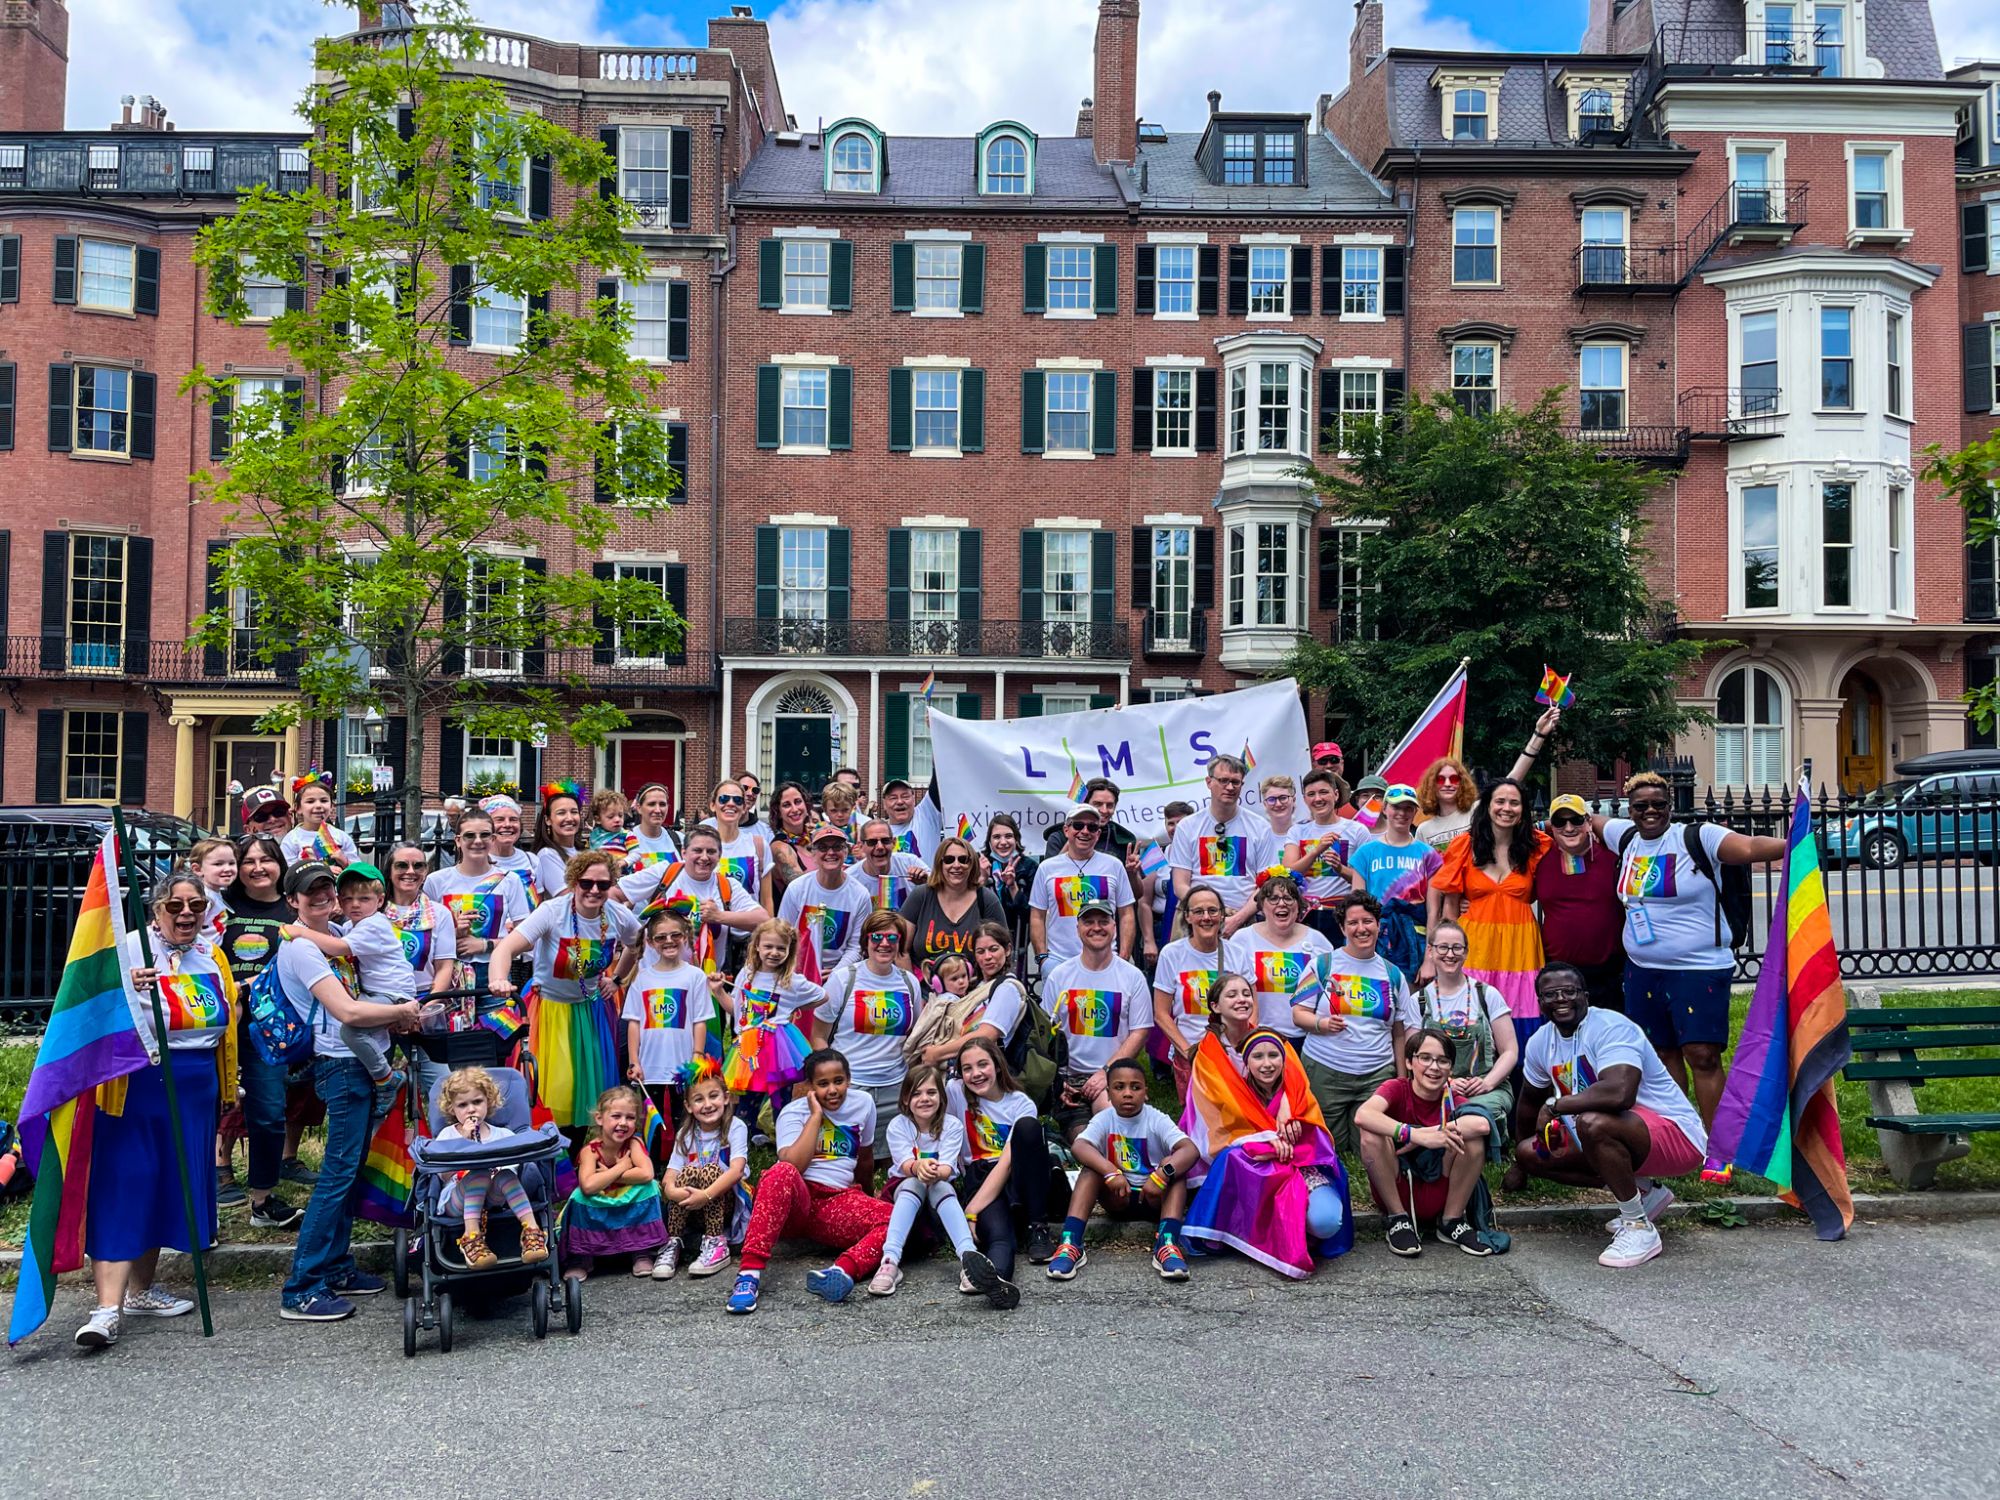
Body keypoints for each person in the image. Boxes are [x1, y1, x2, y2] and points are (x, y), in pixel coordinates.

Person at [71, 872, 239, 1349]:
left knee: (169, 1185)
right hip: (138, 1085)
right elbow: (86, 1002)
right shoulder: (127, 948)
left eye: (196, 905)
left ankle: (141, 1291)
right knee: (126, 1185)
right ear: (155, 909)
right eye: (175, 905)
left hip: (195, 1088)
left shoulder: (212, 953)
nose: (186, 913)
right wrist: (124, 988)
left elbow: (224, 1021)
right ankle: (105, 1309)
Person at [277, 860, 423, 1322]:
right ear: (292, 901)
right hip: (340, 1066)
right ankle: (303, 1286)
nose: (322, 897)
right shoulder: (302, 947)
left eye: (327, 888)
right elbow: (350, 1014)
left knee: (349, 1169)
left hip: (357, 1063)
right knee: (337, 1175)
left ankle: (336, 1265)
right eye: (309, 891)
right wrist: (405, 1010)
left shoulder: (341, 930)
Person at [1597, 770, 1785, 1126]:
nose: (1649, 811)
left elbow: (1748, 848)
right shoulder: (1624, 838)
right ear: (1630, 810)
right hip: (1642, 969)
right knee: (1661, 1052)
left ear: (1671, 806)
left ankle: (1717, 1144)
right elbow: (1589, 820)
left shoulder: (1697, 837)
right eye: (1640, 806)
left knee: (1702, 1055)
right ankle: (1681, 1133)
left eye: (1659, 804)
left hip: (1698, 968)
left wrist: (1796, 842)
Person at [1512, 963, 1710, 1269]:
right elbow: (1528, 1102)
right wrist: (1519, 1164)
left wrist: (1555, 1106)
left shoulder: (1611, 1027)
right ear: (1540, 1002)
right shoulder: (1541, 1042)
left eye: (1570, 991)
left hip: (1674, 1135)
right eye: (1551, 994)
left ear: (1586, 996)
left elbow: (1619, 1093)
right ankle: (1644, 1192)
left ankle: (1639, 1227)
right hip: (1617, 1135)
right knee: (1532, 1153)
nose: (1561, 999)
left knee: (1594, 1122)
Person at [1181, 1021, 1353, 1279]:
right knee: (1230, 1159)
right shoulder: (1237, 1096)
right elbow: (1227, 1138)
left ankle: (1295, 1229)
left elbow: (1320, 1143)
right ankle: (1258, 1234)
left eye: (1273, 1055)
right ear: (1246, 1063)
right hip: (1262, 1175)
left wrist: (1292, 1129)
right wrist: (1267, 1146)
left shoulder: (1297, 1095)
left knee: (1326, 1223)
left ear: (1284, 1060)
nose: (1267, 1064)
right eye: (1258, 1057)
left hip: (1301, 1170)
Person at [727, 1048, 893, 1313]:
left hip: (837, 1202)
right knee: (780, 1172)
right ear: (810, 1086)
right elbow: (794, 1165)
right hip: (796, 1201)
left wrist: (867, 1198)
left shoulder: (863, 1104)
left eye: (838, 1081)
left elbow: (864, 1159)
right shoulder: (793, 1113)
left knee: (901, 1219)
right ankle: (748, 1276)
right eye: (823, 1084)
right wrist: (816, 1116)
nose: (833, 1090)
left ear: (848, 1080)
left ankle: (842, 1270)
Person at [486, 850, 641, 1132]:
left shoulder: (617, 914)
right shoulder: (552, 912)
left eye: (603, 885)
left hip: (592, 1012)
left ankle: (581, 1158)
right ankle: (545, 1151)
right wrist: (498, 979)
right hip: (549, 1012)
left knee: (589, 1089)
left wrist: (617, 979)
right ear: (573, 882)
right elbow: (506, 948)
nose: (594, 890)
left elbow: (637, 943)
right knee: (551, 1087)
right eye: (586, 883)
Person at [213, 834, 303, 1228]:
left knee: (267, 1111)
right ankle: (200, 1200)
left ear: (280, 865)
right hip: (215, 1020)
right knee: (202, 1108)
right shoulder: (220, 905)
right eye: (247, 860)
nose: (256, 868)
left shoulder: (292, 910)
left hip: (268, 1027)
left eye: (266, 860)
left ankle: (262, 1200)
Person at [871, 1066, 1016, 1308]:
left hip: (940, 1195)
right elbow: (905, 1164)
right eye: (916, 1094)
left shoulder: (952, 1125)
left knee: (940, 1187)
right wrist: (919, 1167)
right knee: (913, 1183)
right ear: (906, 1099)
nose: (924, 1099)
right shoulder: (898, 1125)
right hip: (905, 1196)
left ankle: (969, 1260)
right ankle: (890, 1260)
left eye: (931, 1092)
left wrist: (930, 1170)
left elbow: (947, 1169)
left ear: (942, 1097)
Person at [279, 861, 413, 1121]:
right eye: (348, 898)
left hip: (389, 993)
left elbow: (338, 948)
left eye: (364, 898)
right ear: (293, 900)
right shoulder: (350, 927)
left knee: (352, 1028)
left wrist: (298, 931)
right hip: (371, 1001)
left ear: (380, 899)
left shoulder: (371, 925)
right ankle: (322, 1065)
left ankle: (387, 1078)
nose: (354, 905)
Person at [1045, 1057, 1198, 1283]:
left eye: (1135, 1087)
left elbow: (1190, 1149)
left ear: (1145, 1092)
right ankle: (1071, 1242)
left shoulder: (1156, 1118)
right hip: (1118, 1197)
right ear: (1107, 1093)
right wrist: (1109, 1170)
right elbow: (1080, 1145)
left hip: (1154, 1198)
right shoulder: (1104, 1118)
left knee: (1174, 1166)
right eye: (1119, 1087)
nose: (1128, 1093)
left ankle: (1167, 1243)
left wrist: (1161, 1174)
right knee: (1091, 1168)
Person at [1295, 891, 1419, 1157]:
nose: (1361, 929)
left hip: (1375, 1074)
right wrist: (1322, 1023)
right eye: (1353, 923)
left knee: (1369, 1148)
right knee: (1330, 1149)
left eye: (1367, 921)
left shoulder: (1393, 974)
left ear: (1378, 924)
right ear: (1342, 927)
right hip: (1326, 1071)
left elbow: (1399, 1031)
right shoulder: (1321, 965)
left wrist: (1400, 1076)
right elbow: (1298, 1014)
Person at [1355, 1028, 1495, 1258]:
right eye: (1425, 1058)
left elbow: (1482, 1125)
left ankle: (1451, 1222)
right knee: (1370, 1134)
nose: (1434, 1067)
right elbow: (1363, 1115)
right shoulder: (1396, 1088)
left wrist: (1433, 1134)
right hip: (1398, 1187)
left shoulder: (1451, 1098)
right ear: (1409, 1062)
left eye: (1443, 1061)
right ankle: (1397, 1219)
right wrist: (1415, 1135)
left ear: (1450, 1068)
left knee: (1473, 1140)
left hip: (1442, 1188)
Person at [1430, 778, 1550, 1028]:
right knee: (1472, 1014)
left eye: (1515, 803)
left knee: (1522, 1010)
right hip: (1476, 944)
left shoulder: (1536, 847)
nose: (1507, 808)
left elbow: (1569, 841)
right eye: (1500, 801)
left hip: (1521, 945)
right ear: (1487, 806)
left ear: (1523, 810)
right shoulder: (1464, 846)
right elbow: (1450, 908)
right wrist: (1446, 952)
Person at [1040, 898, 1153, 1142]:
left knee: (1114, 1130)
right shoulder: (1059, 976)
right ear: (1077, 928)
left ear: (1114, 926)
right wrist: (1056, 1081)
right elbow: (1044, 1033)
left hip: (1115, 1074)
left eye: (1104, 921)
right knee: (1086, 1140)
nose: (1096, 927)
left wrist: (1106, 1071)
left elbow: (1140, 1031)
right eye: (1088, 922)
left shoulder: (1132, 977)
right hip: (1070, 1078)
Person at [814, 911, 929, 1148]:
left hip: (895, 1088)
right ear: (866, 941)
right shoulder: (843, 980)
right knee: (850, 1164)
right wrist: (833, 1082)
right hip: (851, 1087)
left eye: (892, 938)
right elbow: (818, 1037)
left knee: (893, 1164)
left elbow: (915, 1036)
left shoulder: (910, 983)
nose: (884, 944)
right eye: (877, 937)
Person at [951, 1036, 1062, 1271]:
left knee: (1029, 1128)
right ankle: (996, 1282)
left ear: (997, 1064)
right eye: (967, 1068)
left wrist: (971, 1210)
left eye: (983, 1064)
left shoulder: (1021, 1103)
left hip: (1017, 1177)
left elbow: (1006, 1164)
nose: (976, 1074)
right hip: (980, 1177)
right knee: (998, 1235)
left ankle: (1038, 1227)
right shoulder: (956, 1092)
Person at [1413, 920, 1516, 1154]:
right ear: (1430, 951)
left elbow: (1510, 1051)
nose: (1450, 954)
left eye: (1457, 948)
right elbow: (1413, 1056)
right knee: (1453, 1113)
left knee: (1476, 1112)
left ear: (1466, 952)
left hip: (1486, 1087)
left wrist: (1487, 1082)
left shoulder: (1487, 995)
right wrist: (1446, 1083)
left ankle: (1430, 1139)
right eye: (1443, 947)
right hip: (1435, 1087)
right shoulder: (1418, 1002)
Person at [433, 1066, 549, 1271]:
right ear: (452, 1109)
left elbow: (514, 1168)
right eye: (463, 1105)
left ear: (489, 1101)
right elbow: (442, 1176)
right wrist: (464, 1142)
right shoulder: (448, 1135)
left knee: (505, 1174)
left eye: (477, 1102)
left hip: (495, 1197)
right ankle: (471, 1238)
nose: (471, 1109)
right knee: (479, 1175)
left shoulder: (503, 1135)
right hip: (457, 1199)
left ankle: (532, 1233)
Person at [616, 824, 769, 964]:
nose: (704, 857)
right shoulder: (664, 873)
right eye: (697, 850)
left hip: (706, 982)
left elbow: (763, 920)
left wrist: (719, 917)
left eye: (711, 851)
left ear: (719, 856)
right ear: (684, 853)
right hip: (656, 980)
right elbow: (613, 894)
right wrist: (634, 931)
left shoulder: (728, 886)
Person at [1151, 884, 1249, 1101]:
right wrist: (1188, 1052)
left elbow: (1252, 1009)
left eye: (1213, 911)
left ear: (1222, 915)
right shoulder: (1172, 954)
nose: (1206, 917)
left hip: (1231, 1052)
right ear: (1187, 916)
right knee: (1195, 1123)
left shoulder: (1238, 954)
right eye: (1198, 911)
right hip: (1190, 1051)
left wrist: (1240, 1047)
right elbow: (1161, 1013)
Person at [422, 807, 531, 1001]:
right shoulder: (436, 881)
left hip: (495, 972)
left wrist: (484, 945)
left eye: (485, 835)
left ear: (493, 839)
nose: (478, 841)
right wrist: (454, 933)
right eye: (470, 835)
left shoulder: (509, 880)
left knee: (496, 1030)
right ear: (458, 841)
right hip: (450, 973)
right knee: (453, 1030)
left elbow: (526, 938)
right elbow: (426, 935)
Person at [1416, 707, 1561, 853]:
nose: (1447, 784)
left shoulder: (1478, 810)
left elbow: (1513, 777)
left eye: (1454, 779)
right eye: (1440, 779)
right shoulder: (1424, 830)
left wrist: (1539, 734)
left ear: (1462, 783)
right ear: (1431, 786)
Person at [1534, 792, 1627, 1015]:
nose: (1568, 828)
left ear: (1589, 822)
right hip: (1559, 972)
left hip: (1609, 970)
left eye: (1576, 820)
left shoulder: (1613, 855)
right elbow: (1502, 828)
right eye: (1559, 821)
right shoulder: (1539, 857)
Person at [622, 907, 716, 1127]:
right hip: (649, 1065)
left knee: (683, 1117)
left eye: (675, 935)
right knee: (650, 1121)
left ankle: (682, 1158)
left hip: (682, 1063)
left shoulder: (695, 976)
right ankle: (651, 1160)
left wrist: (697, 1055)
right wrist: (634, 1061)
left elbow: (699, 1021)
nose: (669, 941)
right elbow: (634, 1023)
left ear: (685, 936)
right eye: (661, 937)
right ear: (651, 942)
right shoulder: (641, 978)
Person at [657, 1057, 750, 1280]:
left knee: (709, 1169)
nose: (707, 1104)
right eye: (698, 1099)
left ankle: (716, 1241)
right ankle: (674, 1241)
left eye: (713, 1096)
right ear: (688, 1106)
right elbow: (669, 1176)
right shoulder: (685, 1135)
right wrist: (672, 1192)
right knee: (688, 1172)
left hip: (725, 1202)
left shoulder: (735, 1127)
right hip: (692, 1205)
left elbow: (737, 1170)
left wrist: (706, 1195)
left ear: (726, 1097)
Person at [562, 1084, 668, 1279]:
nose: (623, 1123)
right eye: (616, 1116)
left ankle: (641, 1250)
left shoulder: (634, 1143)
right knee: (578, 1197)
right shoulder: (590, 1150)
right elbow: (588, 1185)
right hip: (599, 1201)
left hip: (627, 1199)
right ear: (599, 1118)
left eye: (630, 1117)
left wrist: (609, 1175)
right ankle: (582, 1256)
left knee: (650, 1188)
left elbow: (646, 1174)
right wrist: (621, 1167)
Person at [1168, 755, 1278, 934]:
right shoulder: (1187, 827)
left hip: (1242, 917)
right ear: (1209, 782)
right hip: (1195, 915)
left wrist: (1237, 919)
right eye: (1223, 780)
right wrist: (1206, 913)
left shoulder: (1260, 827)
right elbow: (1180, 884)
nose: (1229, 787)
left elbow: (1267, 885)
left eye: (1236, 782)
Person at [720, 918, 824, 1101]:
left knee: (778, 1102)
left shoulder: (793, 980)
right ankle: (748, 1130)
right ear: (757, 946)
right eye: (768, 946)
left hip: (779, 1051)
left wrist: (795, 1006)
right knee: (747, 1104)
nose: (774, 953)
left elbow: (822, 996)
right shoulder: (746, 973)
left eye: (781, 948)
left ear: (789, 951)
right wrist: (717, 991)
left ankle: (781, 1128)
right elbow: (736, 1010)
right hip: (749, 1051)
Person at [910, 921, 1031, 1071]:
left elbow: (985, 1036)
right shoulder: (977, 987)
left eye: (993, 949)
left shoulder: (1007, 989)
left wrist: (936, 1053)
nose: (987, 957)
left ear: (1007, 950)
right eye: (980, 951)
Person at [1349, 783, 1442, 977]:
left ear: (1415, 811)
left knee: (1410, 1002)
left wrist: (1429, 960)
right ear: (1384, 809)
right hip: (1375, 939)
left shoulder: (1429, 855)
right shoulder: (1365, 853)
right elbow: (1355, 907)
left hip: (1414, 942)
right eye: (1396, 807)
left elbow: (1434, 912)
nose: (1402, 813)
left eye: (1408, 808)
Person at [1029, 801, 1136, 964]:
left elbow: (1126, 912)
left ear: (1098, 833)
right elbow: (1037, 915)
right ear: (1066, 830)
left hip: (1106, 960)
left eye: (1092, 827)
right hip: (1059, 961)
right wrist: (1043, 958)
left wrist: (1124, 955)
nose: (1085, 831)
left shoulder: (1114, 865)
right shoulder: (1047, 868)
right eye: (1078, 825)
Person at [1240, 873, 1334, 1042]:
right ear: (1261, 906)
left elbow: (1330, 993)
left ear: (1299, 906)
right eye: (1273, 898)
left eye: (1288, 898)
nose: (1281, 903)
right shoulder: (1242, 940)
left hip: (1305, 1038)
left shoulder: (1318, 941)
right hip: (1256, 1036)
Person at [778, 823, 875, 975]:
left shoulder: (860, 894)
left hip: (840, 971)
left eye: (837, 847)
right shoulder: (797, 888)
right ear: (813, 854)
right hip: (798, 970)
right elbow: (782, 934)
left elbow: (856, 946)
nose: (830, 853)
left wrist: (836, 973)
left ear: (845, 851)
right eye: (823, 848)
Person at [1287, 769, 1369, 945]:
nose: (1318, 799)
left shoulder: (1357, 830)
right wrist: (1316, 851)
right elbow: (1288, 873)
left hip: (1341, 913)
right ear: (1305, 799)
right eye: (1311, 794)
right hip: (1305, 914)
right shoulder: (1297, 831)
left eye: (1323, 792)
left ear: (1336, 794)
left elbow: (1364, 880)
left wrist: (1340, 868)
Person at [900, 835, 1006, 967]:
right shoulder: (920, 896)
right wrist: (912, 986)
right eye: (949, 860)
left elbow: (1002, 949)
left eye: (963, 860)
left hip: (975, 985)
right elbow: (901, 951)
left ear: (972, 864)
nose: (956, 865)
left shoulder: (987, 900)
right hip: (924, 985)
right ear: (940, 863)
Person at [703, 777, 774, 918]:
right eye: (724, 799)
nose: (730, 804)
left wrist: (769, 932)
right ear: (712, 805)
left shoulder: (758, 845)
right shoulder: (703, 847)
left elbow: (766, 900)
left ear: (743, 807)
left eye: (737, 800)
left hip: (748, 933)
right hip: (713, 932)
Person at [847, 818, 931, 916]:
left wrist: (926, 883)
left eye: (885, 841)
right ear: (861, 846)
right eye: (872, 842)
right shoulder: (850, 879)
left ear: (894, 842)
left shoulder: (910, 862)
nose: (880, 847)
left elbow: (943, 888)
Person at [1140, 800, 1193, 953]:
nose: (1176, 828)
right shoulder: (1154, 854)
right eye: (1171, 823)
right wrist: (1149, 941)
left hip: (1193, 927)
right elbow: (1144, 902)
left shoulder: (1200, 855)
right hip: (1160, 929)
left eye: (1181, 822)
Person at [279, 770, 358, 869]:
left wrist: (344, 861)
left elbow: (359, 871)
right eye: (310, 801)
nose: (318, 805)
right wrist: (323, 869)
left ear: (332, 806)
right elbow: (287, 875)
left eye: (324, 801)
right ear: (298, 808)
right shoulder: (291, 840)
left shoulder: (341, 837)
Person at [982, 813, 1038, 941]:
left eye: (1008, 836)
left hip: (1017, 940)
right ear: (989, 842)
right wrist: (981, 880)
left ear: (1016, 839)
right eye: (996, 837)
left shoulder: (1030, 867)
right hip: (986, 939)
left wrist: (1013, 886)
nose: (1003, 842)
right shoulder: (981, 865)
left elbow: (1032, 915)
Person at [531, 780, 588, 899]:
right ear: (548, 820)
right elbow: (570, 898)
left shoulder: (582, 851)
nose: (569, 818)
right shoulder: (547, 855)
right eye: (561, 813)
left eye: (574, 812)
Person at [482, 794, 540, 908]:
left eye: (513, 819)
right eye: (499, 820)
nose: (507, 825)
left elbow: (539, 904)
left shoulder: (532, 861)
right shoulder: (478, 862)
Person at [765, 780, 815, 905]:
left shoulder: (815, 839)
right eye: (786, 805)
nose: (794, 809)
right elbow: (801, 891)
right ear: (778, 812)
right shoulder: (780, 848)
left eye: (798, 802)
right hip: (795, 920)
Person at [879, 775, 941, 865]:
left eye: (905, 797)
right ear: (884, 804)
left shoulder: (926, 815)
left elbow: (938, 780)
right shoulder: (878, 834)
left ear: (913, 799)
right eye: (893, 798)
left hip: (929, 878)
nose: (900, 802)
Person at [621, 783, 681, 871]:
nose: (658, 810)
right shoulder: (623, 840)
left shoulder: (679, 840)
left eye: (662, 804)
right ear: (639, 808)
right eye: (651, 804)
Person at [189, 837, 236, 937]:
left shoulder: (213, 891)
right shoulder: (204, 898)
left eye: (231, 863)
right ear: (198, 869)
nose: (227, 869)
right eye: (218, 864)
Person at [1257, 773, 1299, 843]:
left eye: (1283, 798)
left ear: (1293, 800)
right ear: (1265, 804)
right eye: (1271, 799)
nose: (1278, 804)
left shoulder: (1305, 836)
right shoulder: (1259, 839)